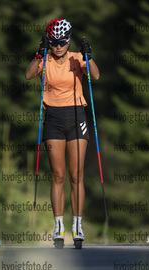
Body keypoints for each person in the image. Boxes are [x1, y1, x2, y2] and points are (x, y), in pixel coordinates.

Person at [25, 18, 100, 246]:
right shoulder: (45, 60)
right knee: (58, 176)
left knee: (76, 175)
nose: (59, 46)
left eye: (63, 42)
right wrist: (38, 54)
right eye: (55, 42)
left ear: (69, 40)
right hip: (54, 119)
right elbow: (28, 75)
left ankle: (77, 225)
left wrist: (89, 56)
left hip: (77, 117)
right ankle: (58, 226)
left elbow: (95, 75)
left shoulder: (77, 58)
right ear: (49, 41)